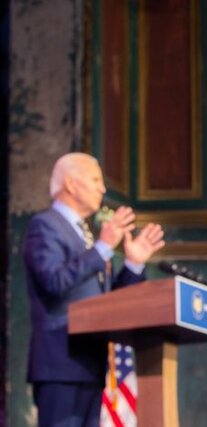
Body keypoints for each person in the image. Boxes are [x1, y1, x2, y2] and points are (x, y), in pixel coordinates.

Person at [23, 152, 165, 427]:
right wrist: (102, 248)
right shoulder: (45, 225)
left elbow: (108, 301)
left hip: (91, 364)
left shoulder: (87, 237)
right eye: (95, 180)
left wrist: (134, 263)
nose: (102, 189)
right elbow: (54, 281)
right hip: (61, 364)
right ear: (71, 184)